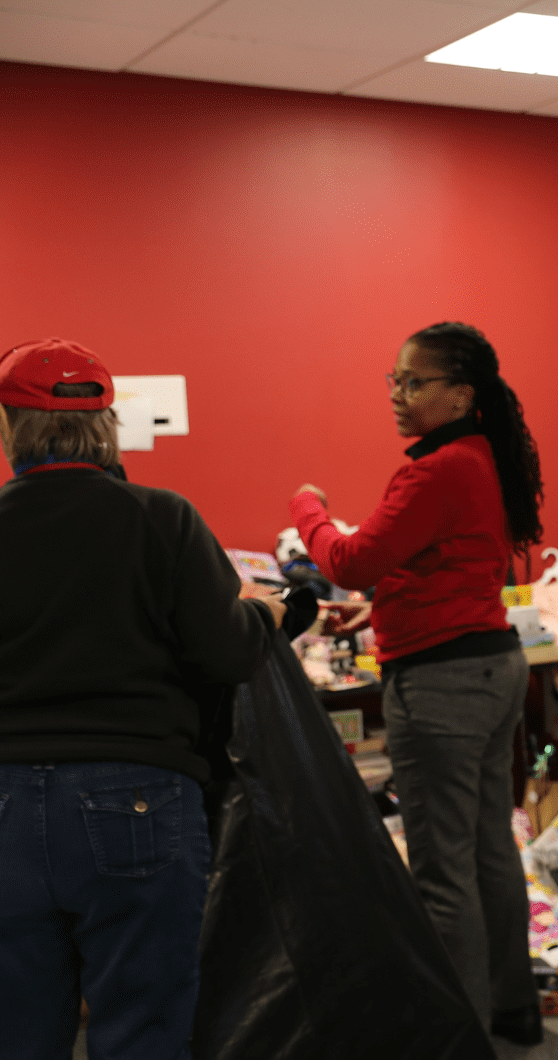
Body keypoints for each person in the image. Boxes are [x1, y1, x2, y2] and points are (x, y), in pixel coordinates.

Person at [0, 337, 283, 1059]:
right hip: (137, 794)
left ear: (9, 429)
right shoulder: (164, 517)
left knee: (20, 1030)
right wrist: (270, 614)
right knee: (144, 1028)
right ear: (108, 426)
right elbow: (228, 653)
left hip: (4, 798)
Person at [290, 321, 544, 1045]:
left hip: (442, 687)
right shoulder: (480, 455)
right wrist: (380, 612)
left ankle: (455, 1030)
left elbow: (349, 557)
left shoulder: (436, 469)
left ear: (461, 394)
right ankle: (511, 1006)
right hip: (491, 666)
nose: (399, 396)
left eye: (415, 382)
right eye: (394, 380)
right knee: (490, 847)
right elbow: (449, 565)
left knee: (442, 868)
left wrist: (306, 506)